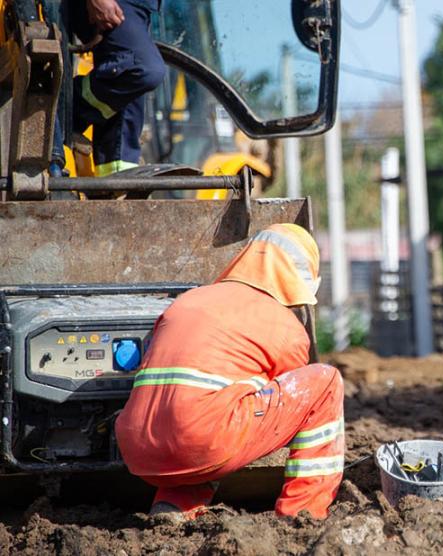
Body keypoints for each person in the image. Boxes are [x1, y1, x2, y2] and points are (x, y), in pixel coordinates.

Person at [115, 223, 344, 520]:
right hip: (201, 442)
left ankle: (174, 504)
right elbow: (294, 407)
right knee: (324, 383)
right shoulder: (284, 326)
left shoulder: (187, 301)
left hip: (138, 447)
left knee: (216, 401)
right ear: (305, 281)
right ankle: (303, 512)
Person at [71, 0, 167, 176]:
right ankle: (67, 114)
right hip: (113, 5)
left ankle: (115, 183)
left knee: (122, 77)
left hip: (141, 8)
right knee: (143, 68)